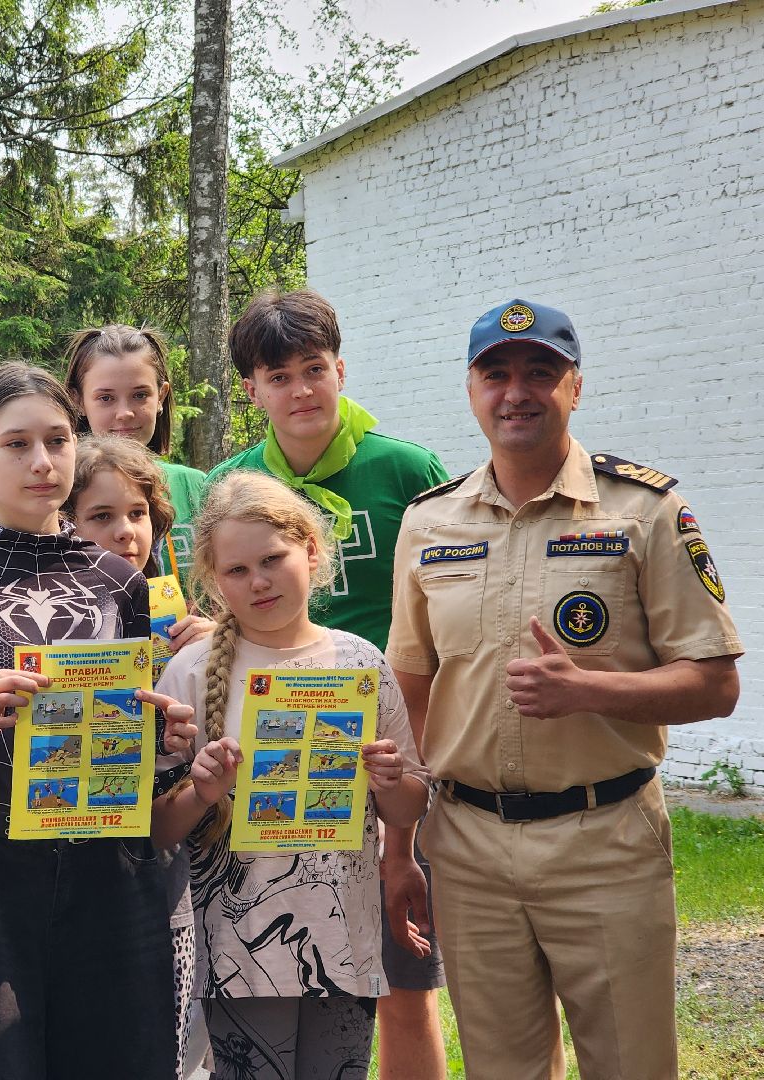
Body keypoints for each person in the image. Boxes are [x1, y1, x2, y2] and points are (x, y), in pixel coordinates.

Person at [386, 299, 744, 1079]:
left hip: (604, 839)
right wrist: (399, 846)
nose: (517, 391)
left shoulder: (646, 511)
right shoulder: (430, 522)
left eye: (540, 372)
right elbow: (410, 691)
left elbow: (715, 684)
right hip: (470, 845)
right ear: (472, 390)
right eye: (497, 374)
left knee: (631, 1064)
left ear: (574, 387)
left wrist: (591, 690)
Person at [0, 362, 194, 1080]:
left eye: (58, 440)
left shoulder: (122, 580)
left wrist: (167, 738)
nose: (42, 462)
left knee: (118, 1060)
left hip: (108, 863)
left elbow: (128, 731)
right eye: (16, 444)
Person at [207, 289, 451, 1075]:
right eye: (279, 376)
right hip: (280, 771)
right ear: (253, 390)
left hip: (389, 753)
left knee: (402, 980)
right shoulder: (234, 485)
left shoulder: (406, 468)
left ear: (340, 370)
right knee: (282, 971)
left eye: (315, 369)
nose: (302, 390)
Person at [151, 471, 431, 1080]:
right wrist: (203, 791)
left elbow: (409, 807)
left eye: (272, 559)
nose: (257, 582)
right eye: (236, 571)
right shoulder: (192, 672)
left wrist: (388, 780)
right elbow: (156, 831)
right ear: (213, 579)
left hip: (344, 940)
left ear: (310, 548)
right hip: (238, 946)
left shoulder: (360, 660)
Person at [64, 434, 215, 1078]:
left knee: (171, 1023)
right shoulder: (56, 615)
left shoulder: (182, 612)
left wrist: (216, 641)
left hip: (175, 849)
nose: (125, 531)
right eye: (101, 516)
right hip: (76, 844)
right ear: (65, 520)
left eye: (137, 514)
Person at [64, 324, 205, 588]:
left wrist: (216, 625)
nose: (125, 413)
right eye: (106, 398)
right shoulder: (62, 489)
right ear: (78, 401)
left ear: (161, 396)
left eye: (139, 395)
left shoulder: (197, 488)